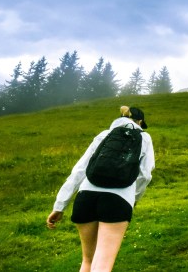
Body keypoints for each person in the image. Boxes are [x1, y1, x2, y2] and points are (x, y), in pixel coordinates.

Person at [47, 106, 155, 272]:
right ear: (140, 122)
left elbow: (79, 170)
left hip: (85, 198)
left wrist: (59, 206)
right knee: (102, 266)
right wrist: (133, 199)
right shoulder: (144, 137)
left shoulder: (104, 134)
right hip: (118, 200)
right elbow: (145, 175)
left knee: (87, 262)